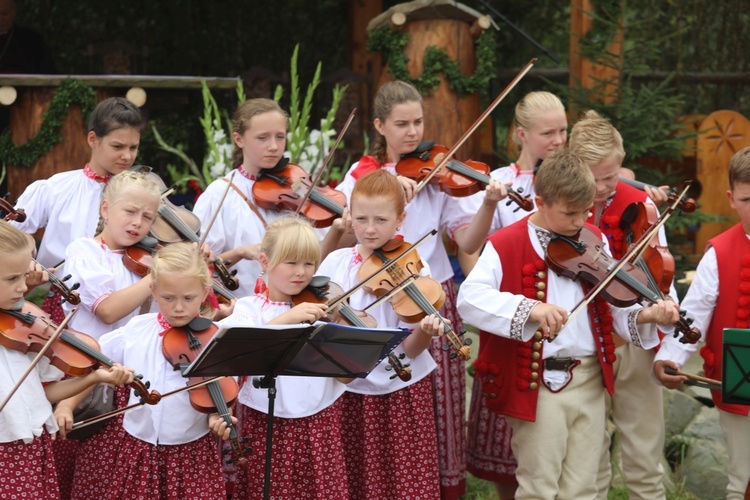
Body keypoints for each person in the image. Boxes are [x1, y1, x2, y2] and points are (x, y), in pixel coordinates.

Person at [457, 148, 679, 500]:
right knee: (539, 485)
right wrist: (529, 309)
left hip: (590, 378)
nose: (581, 220)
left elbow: (609, 309)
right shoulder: (505, 243)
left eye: (587, 210)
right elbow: (468, 299)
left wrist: (646, 315)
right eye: (570, 213)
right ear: (540, 202)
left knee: (584, 487)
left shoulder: (594, 239)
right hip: (540, 384)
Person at [335, 80, 506, 499]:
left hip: (429, 291)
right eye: (401, 124)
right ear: (379, 125)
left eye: (418, 122)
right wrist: (391, 194)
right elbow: (343, 238)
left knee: (439, 399)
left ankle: (436, 486)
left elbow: (467, 243)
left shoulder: (436, 173)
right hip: (371, 293)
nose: (413, 133)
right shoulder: (360, 177)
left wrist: (486, 204)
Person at [57, 242, 235, 499]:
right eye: (168, 298)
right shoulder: (137, 329)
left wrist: (218, 417)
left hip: (190, 452)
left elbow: (218, 394)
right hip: (138, 449)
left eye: (189, 298)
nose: (178, 308)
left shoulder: (214, 340)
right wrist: (66, 404)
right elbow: (93, 364)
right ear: (152, 290)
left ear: (205, 291)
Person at [461, 90, 567, 499]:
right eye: (548, 133)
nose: (558, 140)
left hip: (559, 318)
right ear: (522, 134)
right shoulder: (501, 182)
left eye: (563, 130)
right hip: (513, 320)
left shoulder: (570, 176)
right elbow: (469, 248)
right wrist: (489, 203)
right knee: (508, 454)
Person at [317, 169, 445, 498]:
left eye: (381, 220)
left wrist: (426, 333)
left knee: (404, 480)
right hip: (347, 390)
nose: (370, 229)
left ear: (401, 219)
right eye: (361, 218)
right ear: (349, 216)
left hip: (400, 388)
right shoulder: (334, 263)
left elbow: (413, 348)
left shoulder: (416, 267)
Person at [569, 109, 671, 499]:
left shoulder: (641, 204)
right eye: (592, 179)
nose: (600, 188)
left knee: (644, 456)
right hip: (584, 340)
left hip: (633, 336)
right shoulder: (561, 206)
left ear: (622, 165)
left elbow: (661, 267)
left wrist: (662, 311)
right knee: (587, 461)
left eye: (610, 178)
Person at [217, 215, 350, 498]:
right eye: (291, 262)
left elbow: (344, 374)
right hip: (265, 422)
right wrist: (288, 319)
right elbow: (235, 348)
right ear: (265, 262)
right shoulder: (249, 309)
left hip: (318, 421)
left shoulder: (321, 309)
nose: (301, 272)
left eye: (309, 264)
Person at [0, 221, 133, 499]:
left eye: (24, 276)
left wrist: (93, 377)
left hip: (30, 449)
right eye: (12, 279)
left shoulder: (24, 329)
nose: (23, 287)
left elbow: (44, 393)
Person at [654, 146, 750, 500]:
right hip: (740, 390)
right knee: (743, 478)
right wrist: (671, 360)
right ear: (731, 198)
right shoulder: (718, 254)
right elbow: (692, 319)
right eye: (748, 199)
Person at [11, 96, 146, 323]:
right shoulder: (56, 188)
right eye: (118, 146)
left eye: (133, 147)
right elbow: (10, 235)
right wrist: (28, 257)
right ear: (93, 139)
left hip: (122, 306)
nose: (127, 156)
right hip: (64, 301)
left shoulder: (140, 194)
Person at [192, 98, 340, 299]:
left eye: (280, 137)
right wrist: (241, 252)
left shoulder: (297, 186)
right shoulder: (220, 194)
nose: (274, 146)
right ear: (239, 139)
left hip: (298, 305)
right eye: (262, 138)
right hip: (240, 309)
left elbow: (318, 257)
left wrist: (340, 228)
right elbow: (198, 267)